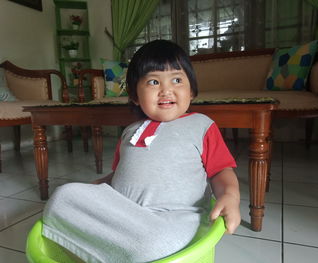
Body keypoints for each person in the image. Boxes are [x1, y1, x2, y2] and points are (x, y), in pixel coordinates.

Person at [42, 39, 241, 263]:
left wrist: (230, 196)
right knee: (63, 195)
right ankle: (121, 250)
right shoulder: (129, 131)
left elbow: (220, 170)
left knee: (155, 244)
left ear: (192, 91)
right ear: (135, 96)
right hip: (122, 217)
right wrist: (92, 190)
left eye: (177, 79)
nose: (166, 90)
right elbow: (116, 178)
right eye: (154, 82)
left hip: (173, 220)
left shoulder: (202, 125)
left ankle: (121, 250)